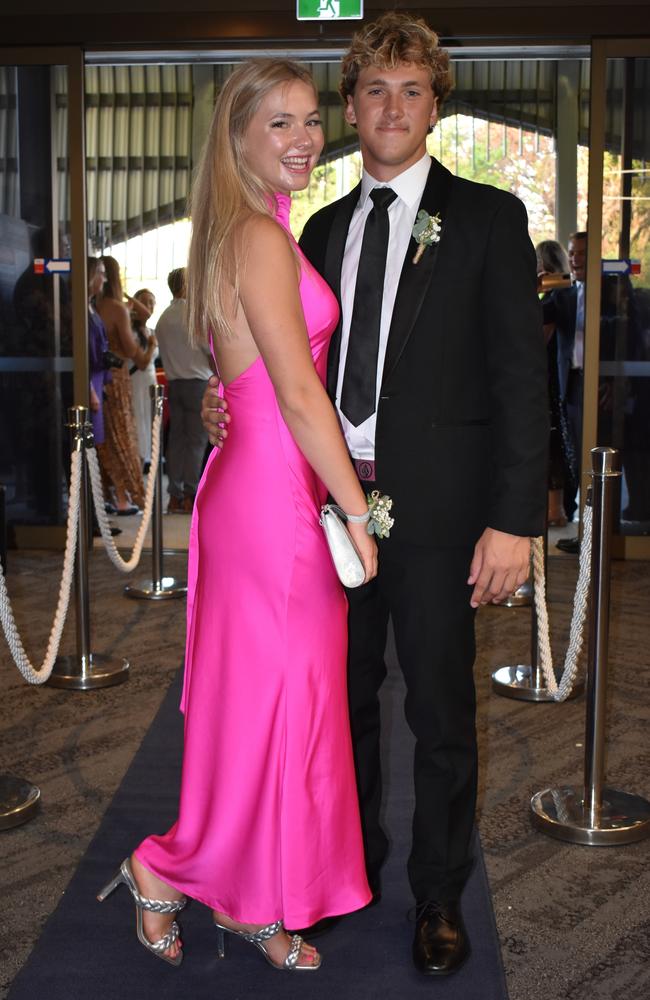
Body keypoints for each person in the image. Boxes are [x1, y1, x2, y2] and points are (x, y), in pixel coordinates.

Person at [202, 12, 548, 977]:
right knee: (335, 710)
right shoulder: (312, 225)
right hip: (318, 514)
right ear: (351, 108)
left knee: (440, 715)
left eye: (411, 90)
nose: (390, 107)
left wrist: (514, 520)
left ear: (436, 105)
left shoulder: (488, 218)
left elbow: (525, 384)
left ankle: (437, 897)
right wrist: (217, 410)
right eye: (373, 91)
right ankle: (341, 877)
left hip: (438, 516)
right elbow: (276, 362)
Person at [97, 58, 377, 973]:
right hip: (271, 502)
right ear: (239, 137)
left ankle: (252, 898)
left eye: (308, 121)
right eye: (280, 125)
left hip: (257, 488)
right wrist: (356, 509)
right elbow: (299, 395)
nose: (304, 140)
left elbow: (247, 380)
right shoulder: (256, 237)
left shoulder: (251, 233)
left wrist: (232, 407)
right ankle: (163, 869)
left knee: (270, 711)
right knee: (275, 710)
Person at [95, 256, 157, 514]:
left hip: (100, 378)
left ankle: (110, 494)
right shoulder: (116, 308)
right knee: (124, 438)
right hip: (119, 379)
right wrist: (151, 346)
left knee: (106, 441)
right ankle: (126, 497)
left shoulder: (95, 306)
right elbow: (135, 353)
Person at [154, 268, 212, 513]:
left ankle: (174, 495)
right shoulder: (193, 315)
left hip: (174, 384)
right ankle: (190, 493)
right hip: (197, 383)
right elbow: (208, 351)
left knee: (176, 440)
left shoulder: (164, 318)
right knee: (196, 441)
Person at [542, 231, 587, 552]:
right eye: (572, 253)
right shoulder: (565, 296)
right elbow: (531, 321)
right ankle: (587, 532)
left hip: (602, 384)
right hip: (570, 388)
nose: (575, 259)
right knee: (576, 456)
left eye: (582, 253)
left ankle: (599, 533)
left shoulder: (612, 289)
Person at [536, 239, 577, 528]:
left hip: (552, 384)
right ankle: (558, 510)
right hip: (556, 381)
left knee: (555, 444)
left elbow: (536, 343)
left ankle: (557, 511)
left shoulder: (554, 302)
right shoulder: (565, 297)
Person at [129, 287, 158, 470]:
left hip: (150, 381)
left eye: (151, 303)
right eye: (144, 302)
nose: (147, 307)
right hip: (136, 382)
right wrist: (151, 345)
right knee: (139, 420)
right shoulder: (130, 332)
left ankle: (148, 458)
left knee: (150, 420)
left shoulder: (150, 330)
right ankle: (138, 460)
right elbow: (142, 362)